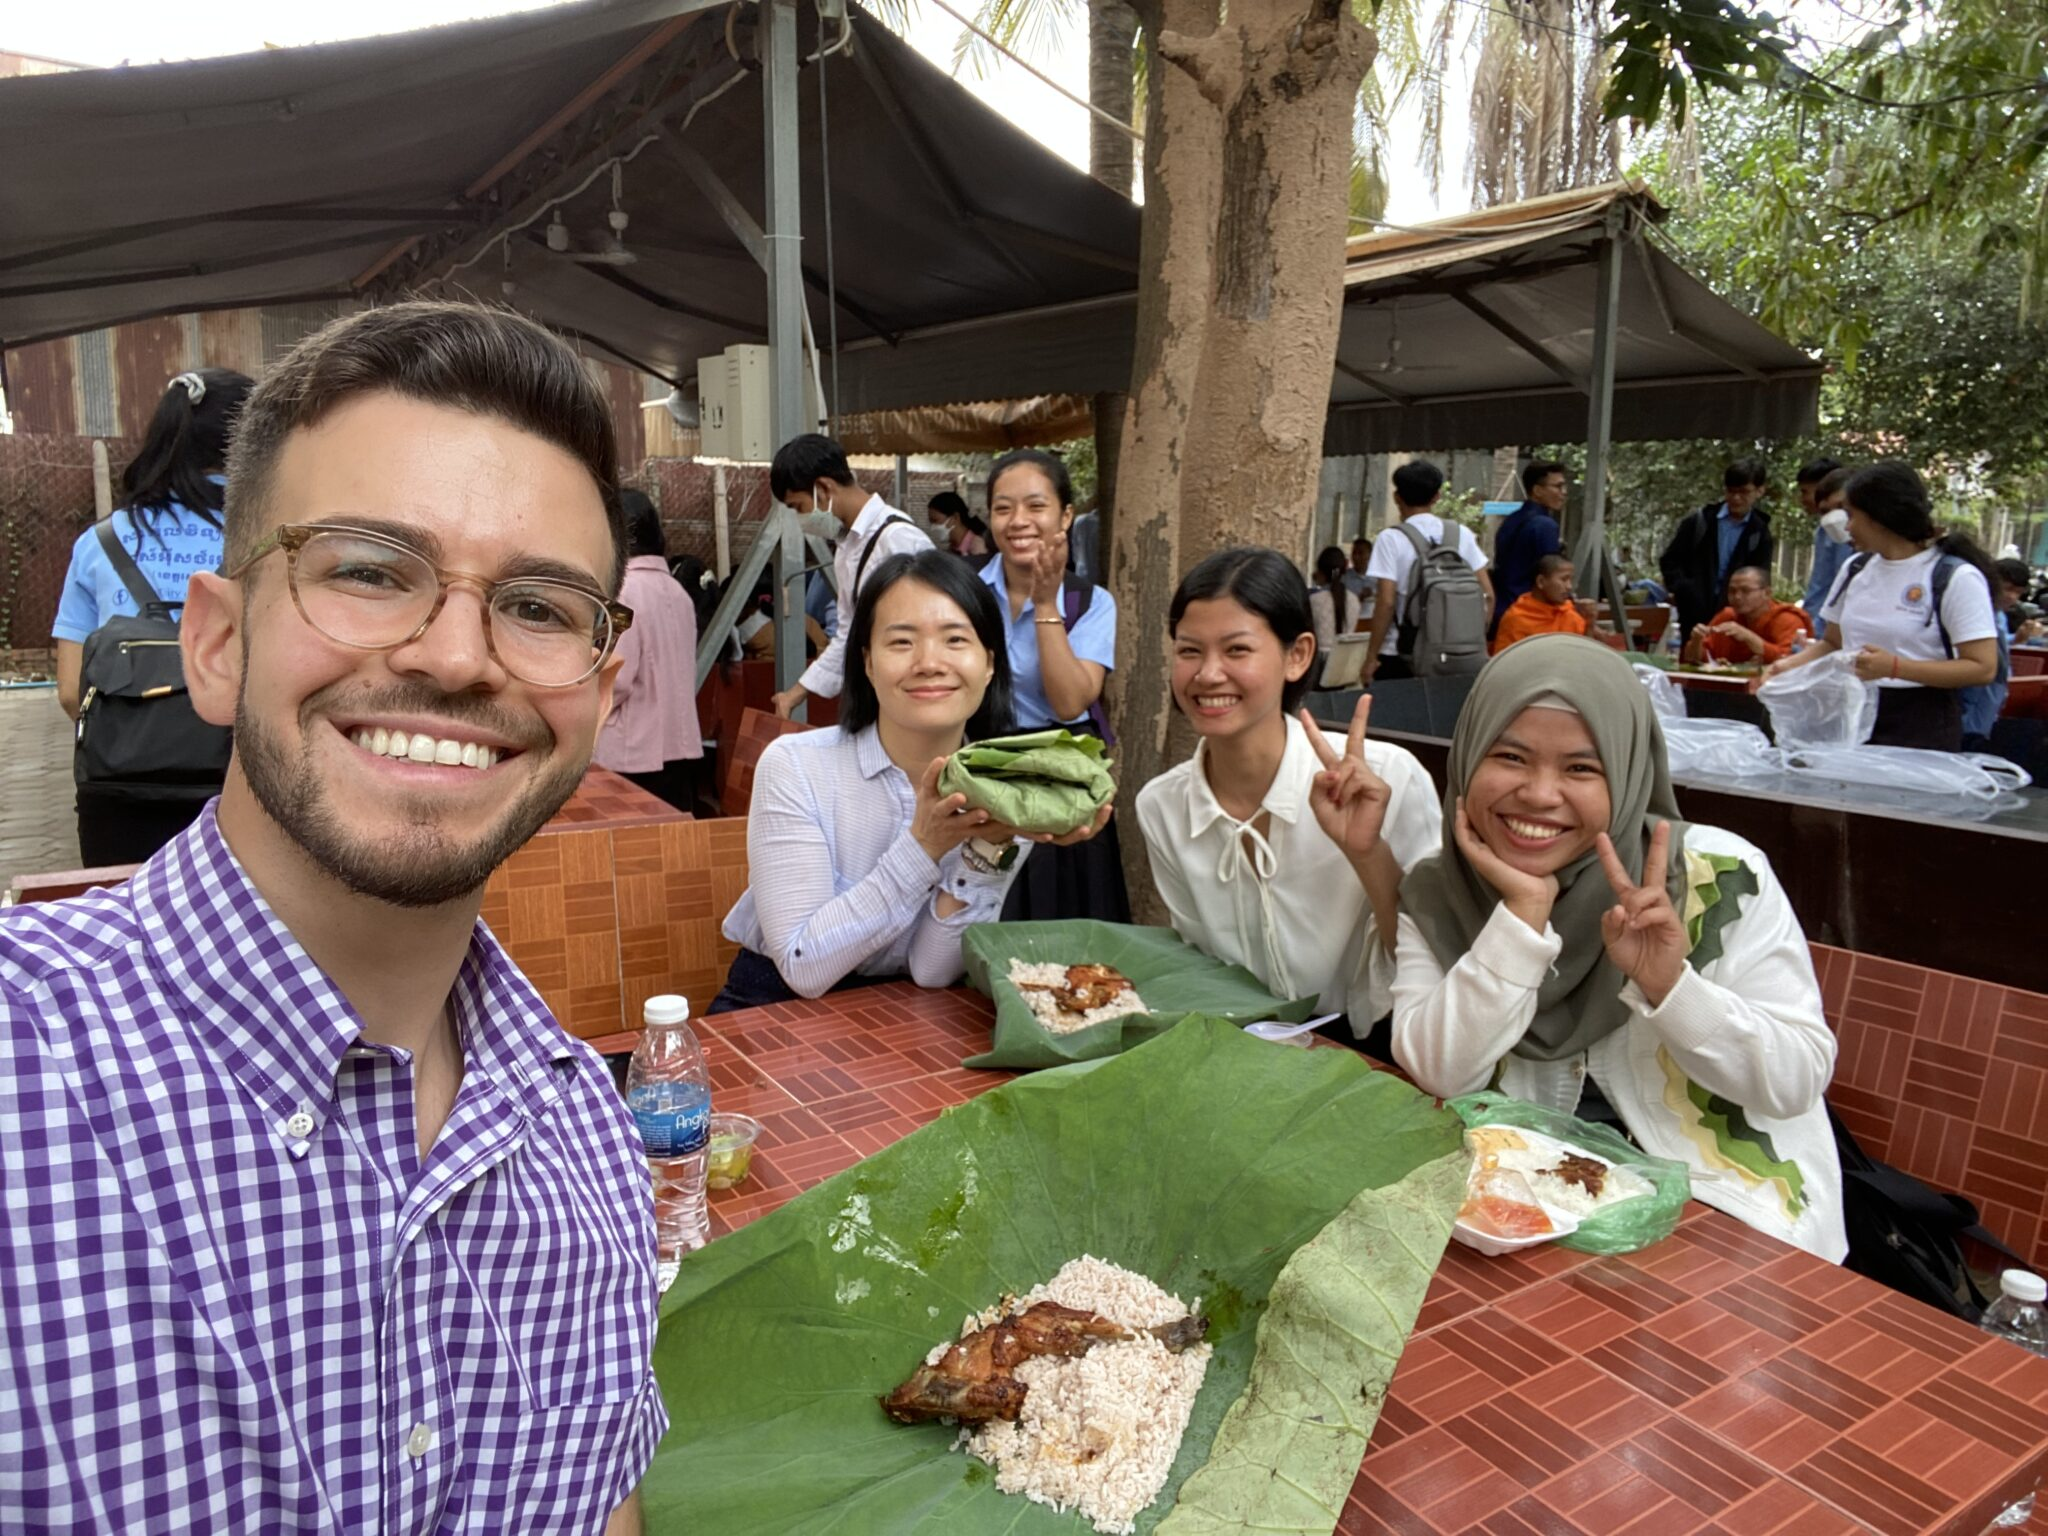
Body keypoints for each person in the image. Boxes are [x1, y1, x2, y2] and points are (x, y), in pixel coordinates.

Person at [1, 302, 667, 1531]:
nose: (460, 656)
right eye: (368, 569)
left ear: (597, 689)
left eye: (537, 606)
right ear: (216, 644)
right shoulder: (23, 1086)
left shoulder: (589, 1138)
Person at [1387, 635, 1846, 1260]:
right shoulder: (1439, 891)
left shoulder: (1719, 876)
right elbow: (1441, 1069)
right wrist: (1523, 916)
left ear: (1629, 772)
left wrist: (1672, 987)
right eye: (1511, 757)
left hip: (1725, 1225)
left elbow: (1797, 1078)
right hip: (1525, 1221)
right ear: (1467, 758)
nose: (1540, 794)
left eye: (1581, 768)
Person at [713, 550, 1108, 1011]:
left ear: (989, 663)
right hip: (775, 1008)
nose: (929, 662)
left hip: (913, 1011)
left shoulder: (1005, 788)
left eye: (955, 640)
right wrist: (924, 845)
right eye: (901, 642)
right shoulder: (796, 766)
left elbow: (931, 970)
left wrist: (988, 846)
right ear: (867, 663)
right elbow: (804, 967)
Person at [1136, 548, 1439, 1037]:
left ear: (1296, 655)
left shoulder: (1388, 778)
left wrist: (1367, 852)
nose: (1208, 674)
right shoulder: (1161, 806)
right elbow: (1198, 966)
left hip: (1378, 1048)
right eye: (1189, 651)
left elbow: (1434, 961)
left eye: (1236, 650)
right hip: (1238, 1046)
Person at [52, 366, 256, 864]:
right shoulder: (271, 533)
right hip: (246, 783)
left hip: (122, 792)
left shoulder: (99, 542)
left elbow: (69, 691)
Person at [978, 448, 1131, 922]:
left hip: (1062, 781)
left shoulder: (1090, 602)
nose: (1018, 520)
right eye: (1003, 508)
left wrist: (1046, 603)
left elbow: (1069, 702)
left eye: (1035, 506)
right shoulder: (962, 593)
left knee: (1059, 919)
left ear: (1066, 515)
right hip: (985, 771)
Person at [1765, 462, 1998, 752]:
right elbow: (1833, 642)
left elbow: (1982, 667)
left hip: (1920, 722)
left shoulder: (1953, 577)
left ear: (1880, 516)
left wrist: (1897, 668)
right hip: (1852, 713)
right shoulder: (1855, 569)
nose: (1846, 527)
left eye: (1852, 516)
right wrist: (1786, 667)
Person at [769, 434, 929, 719]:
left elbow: (928, 629)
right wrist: (797, 693)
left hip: (912, 696)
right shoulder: (847, 547)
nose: (800, 519)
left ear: (823, 488)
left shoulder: (898, 540)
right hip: (877, 696)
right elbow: (848, 634)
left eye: (797, 507)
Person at [594, 490, 704, 811]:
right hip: (681, 745)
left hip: (632, 753)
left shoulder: (620, 593)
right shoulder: (679, 592)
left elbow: (615, 675)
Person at [1362, 458, 1493, 681]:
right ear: (1437, 497)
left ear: (1397, 497)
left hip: (1402, 653)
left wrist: (1371, 657)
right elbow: (1488, 596)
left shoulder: (1390, 538)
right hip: (1461, 657)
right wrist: (1472, 642)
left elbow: (1386, 602)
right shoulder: (1461, 534)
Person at [1661, 458, 1777, 639]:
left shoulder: (1759, 533)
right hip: (1693, 613)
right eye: (1731, 491)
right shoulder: (1700, 522)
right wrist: (1684, 589)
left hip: (1735, 617)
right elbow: (1670, 560)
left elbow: (1760, 575)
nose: (1736, 498)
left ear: (1759, 491)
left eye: (1744, 492)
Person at [1960, 557, 2032, 751]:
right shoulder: (1972, 611)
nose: (2012, 597)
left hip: (1987, 709)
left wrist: (2016, 639)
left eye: (2018, 592)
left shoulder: (1999, 615)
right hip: (1967, 710)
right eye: (2007, 588)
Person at [1490, 460, 1567, 634]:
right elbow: (1551, 576)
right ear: (1538, 490)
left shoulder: (1511, 520)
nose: (1564, 493)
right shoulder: (1544, 525)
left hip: (1503, 609)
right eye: (1558, 487)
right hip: (1531, 616)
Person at [1682, 564, 1810, 665]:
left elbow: (1794, 661)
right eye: (1732, 591)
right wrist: (1696, 641)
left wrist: (1749, 638)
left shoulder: (1787, 619)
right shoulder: (1727, 616)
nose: (1737, 597)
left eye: (1745, 591)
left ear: (1767, 593)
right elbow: (1694, 659)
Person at [1491, 554, 1588, 653]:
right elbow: (1505, 663)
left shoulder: (1569, 613)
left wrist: (1590, 623)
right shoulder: (1516, 619)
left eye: (1570, 580)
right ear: (1541, 581)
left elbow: (1587, 655)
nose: (1569, 586)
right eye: (1563, 579)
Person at [1796, 458, 1848, 635]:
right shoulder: (1823, 530)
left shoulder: (1843, 531)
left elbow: (1838, 586)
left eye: (1806, 492)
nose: (1802, 499)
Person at [1308, 543, 1361, 655]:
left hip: (1318, 662)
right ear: (1344, 569)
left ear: (1320, 572)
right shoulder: (1354, 600)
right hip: (1343, 661)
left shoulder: (1314, 600)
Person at [928, 490, 989, 558]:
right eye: (931, 522)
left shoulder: (977, 548)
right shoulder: (952, 550)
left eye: (935, 520)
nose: (932, 527)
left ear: (955, 518)